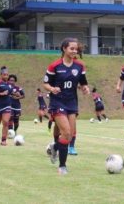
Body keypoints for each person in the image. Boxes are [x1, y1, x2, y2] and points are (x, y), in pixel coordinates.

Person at [43, 37, 89, 175]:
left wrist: (85, 88)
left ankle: (55, 146)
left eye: (76, 49)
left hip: (72, 102)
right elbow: (45, 83)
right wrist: (51, 89)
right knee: (67, 133)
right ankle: (62, 166)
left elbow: (83, 83)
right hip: (57, 102)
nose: (74, 51)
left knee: (69, 136)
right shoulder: (54, 66)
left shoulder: (80, 66)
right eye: (72, 48)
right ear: (64, 49)